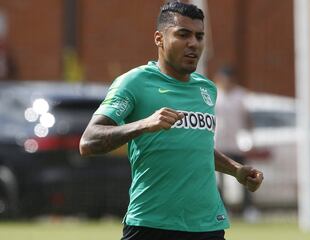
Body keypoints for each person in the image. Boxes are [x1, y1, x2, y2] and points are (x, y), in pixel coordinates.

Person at [79, 2, 263, 240]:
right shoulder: (134, 82)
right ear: (159, 38)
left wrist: (236, 170)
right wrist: (144, 124)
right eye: (183, 34)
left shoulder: (206, 89)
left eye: (199, 36)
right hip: (152, 224)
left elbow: (197, 146)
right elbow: (88, 141)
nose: (193, 44)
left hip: (207, 225)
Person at [214, 66, 259, 221]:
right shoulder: (215, 94)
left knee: (245, 174)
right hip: (218, 144)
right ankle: (224, 208)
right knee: (219, 180)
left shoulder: (241, 95)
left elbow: (248, 119)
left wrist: (250, 138)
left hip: (235, 144)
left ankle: (249, 208)